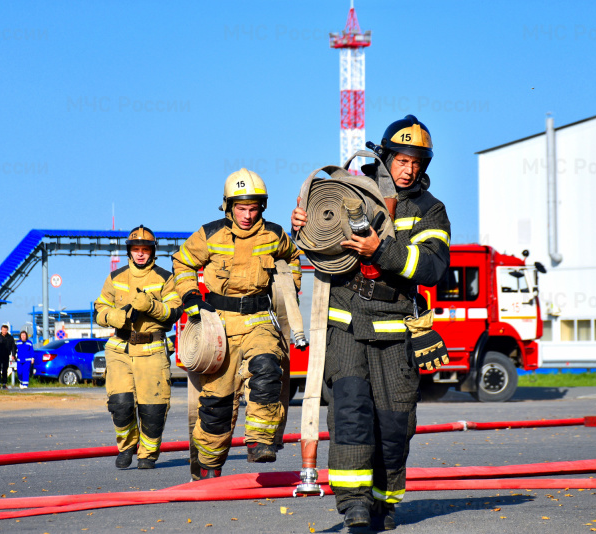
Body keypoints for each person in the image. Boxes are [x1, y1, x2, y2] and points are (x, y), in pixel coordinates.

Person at [291, 115, 451, 530]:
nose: (409, 168)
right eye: (401, 158)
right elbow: (321, 238)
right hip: (345, 325)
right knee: (350, 413)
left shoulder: (429, 211)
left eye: (417, 161)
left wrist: (383, 250)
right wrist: (304, 225)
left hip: (396, 329)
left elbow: (432, 268)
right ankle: (354, 505)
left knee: (396, 425)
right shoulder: (348, 189)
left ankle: (385, 500)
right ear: (384, 156)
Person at [173, 168, 301, 479]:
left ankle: (260, 442)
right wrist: (190, 295)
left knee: (268, 369)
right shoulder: (209, 234)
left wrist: (291, 284)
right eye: (241, 208)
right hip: (220, 326)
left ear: (262, 207)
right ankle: (207, 466)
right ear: (228, 207)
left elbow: (293, 255)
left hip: (259, 320)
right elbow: (183, 261)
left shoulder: (274, 234)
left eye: (253, 208)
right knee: (216, 404)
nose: (247, 215)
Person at [94, 225, 183, 470]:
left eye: (145, 249)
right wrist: (113, 317)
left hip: (152, 350)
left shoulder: (165, 278)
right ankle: (126, 447)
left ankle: (148, 454)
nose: (140, 254)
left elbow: (174, 312)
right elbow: (99, 310)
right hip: (119, 349)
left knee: (153, 409)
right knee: (120, 404)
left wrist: (151, 306)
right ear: (129, 251)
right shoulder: (115, 277)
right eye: (136, 249)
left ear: (152, 252)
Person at [0, 324, 17, 389]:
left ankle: (4, 383)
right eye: (3, 330)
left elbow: (13, 347)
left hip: (6, 355)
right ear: (1, 330)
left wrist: (13, 355)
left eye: (5, 330)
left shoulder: (10, 338)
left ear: (7, 330)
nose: (4, 331)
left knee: (5, 369)